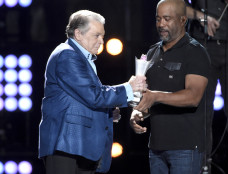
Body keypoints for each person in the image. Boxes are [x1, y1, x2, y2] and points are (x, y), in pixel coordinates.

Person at [38, 10, 147, 174]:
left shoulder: (79, 57)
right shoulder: (67, 55)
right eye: (96, 35)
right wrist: (129, 87)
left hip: (78, 146)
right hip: (66, 145)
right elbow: (94, 95)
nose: (101, 41)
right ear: (78, 34)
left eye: (102, 36)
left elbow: (83, 99)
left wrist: (107, 112)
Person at [130, 0, 210, 173]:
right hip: (156, 147)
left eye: (167, 19)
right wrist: (137, 113)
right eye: (158, 19)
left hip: (185, 148)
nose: (161, 24)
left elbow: (193, 97)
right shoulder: (152, 52)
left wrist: (155, 96)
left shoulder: (196, 52)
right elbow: (146, 96)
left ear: (183, 20)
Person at [185, 0, 228, 173]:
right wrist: (201, 17)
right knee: (201, 111)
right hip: (202, 44)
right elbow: (175, 5)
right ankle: (202, 166)